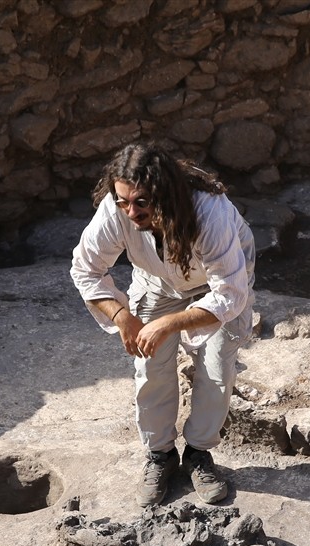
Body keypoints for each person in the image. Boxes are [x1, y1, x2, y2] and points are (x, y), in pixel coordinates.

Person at [70, 141, 255, 507]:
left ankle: (199, 455)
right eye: (122, 201)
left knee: (217, 369)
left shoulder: (209, 211)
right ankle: (161, 455)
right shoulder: (118, 210)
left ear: (165, 192)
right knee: (150, 367)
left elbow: (230, 294)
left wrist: (170, 323)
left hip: (217, 282)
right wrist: (122, 316)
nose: (130, 212)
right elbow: (85, 269)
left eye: (140, 202)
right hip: (156, 283)